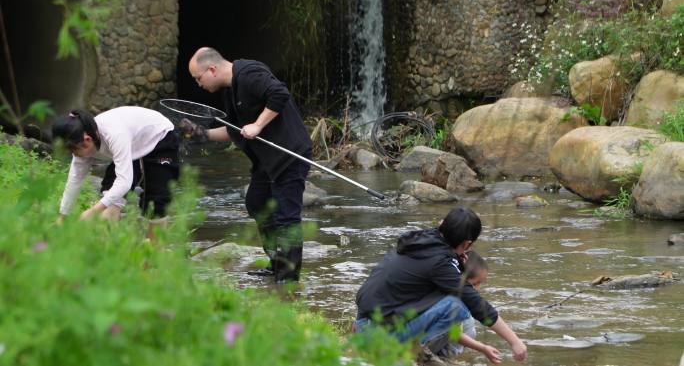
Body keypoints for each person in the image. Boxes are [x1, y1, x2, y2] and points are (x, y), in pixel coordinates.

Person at [185, 47, 313, 283]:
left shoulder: (249, 73)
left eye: (198, 78)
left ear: (212, 69)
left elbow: (279, 94)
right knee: (257, 202)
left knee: (286, 215)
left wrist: (258, 125)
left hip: (290, 155)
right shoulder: (229, 91)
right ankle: (276, 263)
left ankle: (287, 278)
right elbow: (235, 130)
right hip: (267, 159)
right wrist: (202, 134)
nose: (198, 84)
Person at [354, 207, 527, 364]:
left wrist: (456, 263)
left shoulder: (419, 241)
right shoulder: (439, 263)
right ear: (467, 244)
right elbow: (475, 303)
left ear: (442, 225)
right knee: (460, 306)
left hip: (364, 324)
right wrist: (515, 342)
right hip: (377, 337)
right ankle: (405, 353)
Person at [52, 107, 180, 221]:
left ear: (87, 140)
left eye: (73, 151)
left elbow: (124, 182)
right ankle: (111, 244)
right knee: (110, 193)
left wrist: (92, 212)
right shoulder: (80, 139)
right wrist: (63, 215)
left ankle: (154, 246)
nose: (73, 155)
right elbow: (75, 180)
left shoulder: (113, 133)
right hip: (130, 144)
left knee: (156, 202)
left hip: (159, 136)